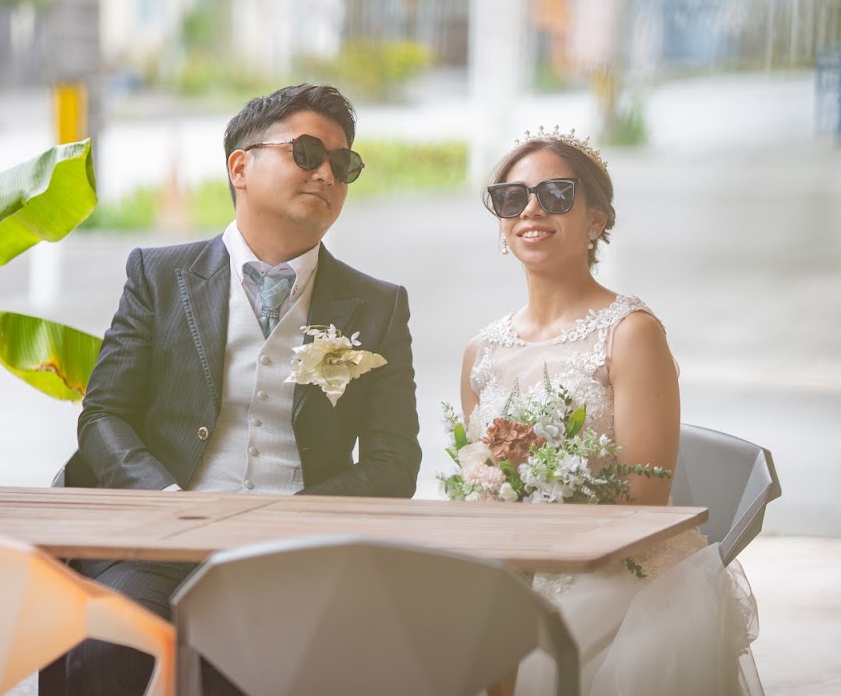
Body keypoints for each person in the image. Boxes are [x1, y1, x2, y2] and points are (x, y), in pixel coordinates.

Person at [56, 83, 422, 694]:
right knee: (105, 646)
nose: (327, 173)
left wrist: (295, 517)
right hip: (164, 546)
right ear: (240, 166)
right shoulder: (159, 275)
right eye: (306, 153)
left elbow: (394, 460)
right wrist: (168, 498)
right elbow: (103, 415)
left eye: (342, 162)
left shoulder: (378, 305)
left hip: (300, 554)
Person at [460, 128, 762, 695]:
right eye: (511, 197)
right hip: (513, 566)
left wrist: (540, 508)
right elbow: (477, 483)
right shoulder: (481, 351)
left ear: (596, 219)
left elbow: (645, 498)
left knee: (531, 657)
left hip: (620, 571)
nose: (530, 209)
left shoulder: (631, 334)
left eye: (555, 195)